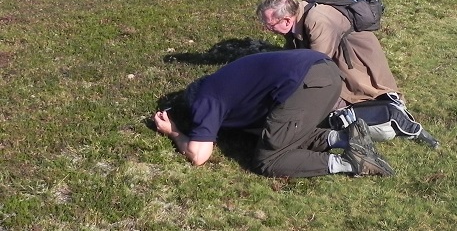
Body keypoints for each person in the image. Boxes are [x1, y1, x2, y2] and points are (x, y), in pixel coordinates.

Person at [151, 49, 394, 177]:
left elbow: (198, 156)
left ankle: (351, 163)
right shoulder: (220, 85)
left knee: (269, 160)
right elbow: (263, 127)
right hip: (325, 72)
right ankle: (346, 138)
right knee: (276, 134)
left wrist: (173, 132)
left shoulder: (206, 101)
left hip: (307, 84)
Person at [255, 0, 440, 148]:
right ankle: (383, 112)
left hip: (357, 63)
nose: (268, 30)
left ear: (287, 20)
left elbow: (316, 66)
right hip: (343, 62)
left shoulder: (316, 20)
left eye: (270, 25)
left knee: (337, 114)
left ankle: (394, 115)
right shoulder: (299, 17)